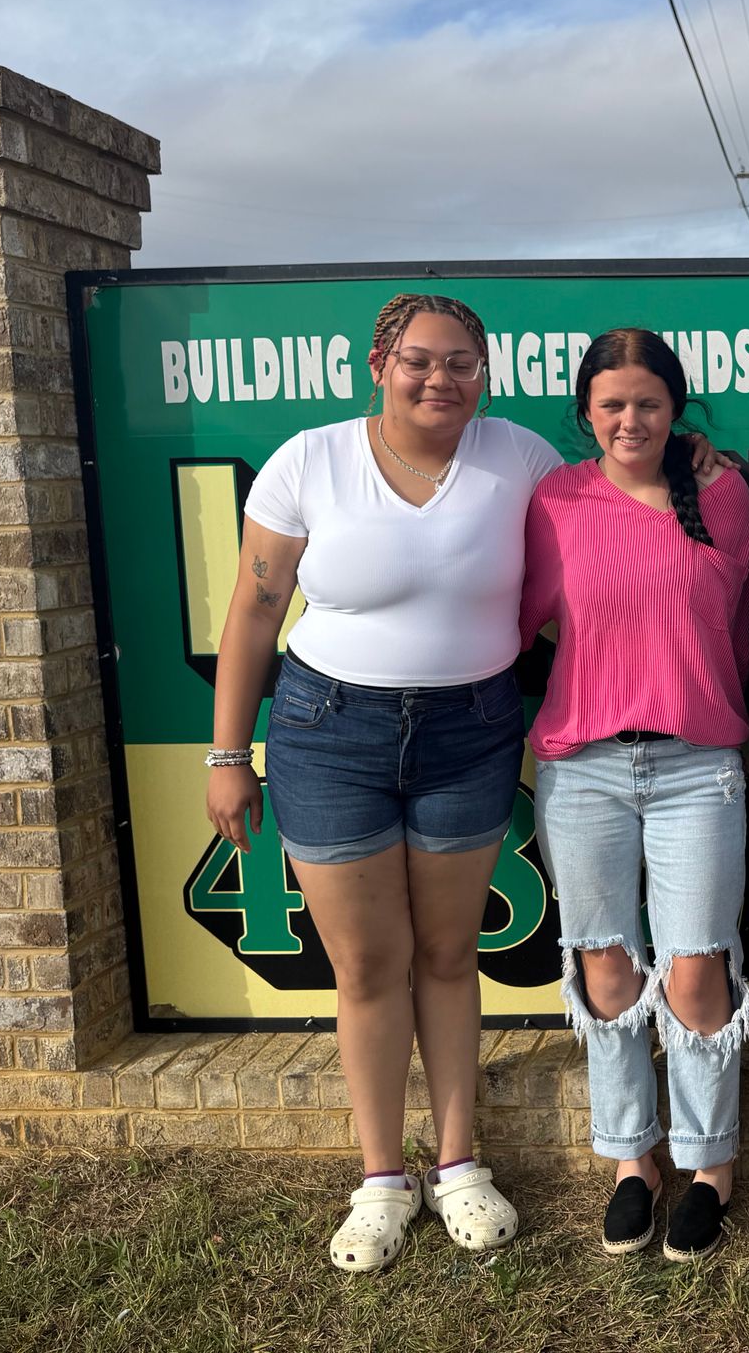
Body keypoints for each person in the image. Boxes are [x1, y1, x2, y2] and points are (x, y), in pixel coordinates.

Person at [205, 293, 550, 1272]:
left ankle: (458, 1165)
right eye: (421, 360)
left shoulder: (519, 459)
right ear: (379, 363)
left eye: (462, 364)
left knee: (447, 956)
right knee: (365, 969)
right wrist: (229, 754)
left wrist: (689, 461)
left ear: (484, 375)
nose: (441, 379)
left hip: (471, 732)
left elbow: (603, 527)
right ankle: (380, 1182)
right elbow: (251, 614)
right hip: (328, 733)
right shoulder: (310, 460)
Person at [519, 328, 749, 1262]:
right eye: (612, 404)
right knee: (608, 972)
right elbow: (517, 615)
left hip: (699, 765)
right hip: (584, 768)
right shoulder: (557, 500)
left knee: (697, 970)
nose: (630, 420)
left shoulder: (725, 493)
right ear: (586, 412)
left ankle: (709, 1164)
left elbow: (748, 621)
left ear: (676, 410)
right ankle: (633, 1158)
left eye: (648, 403)